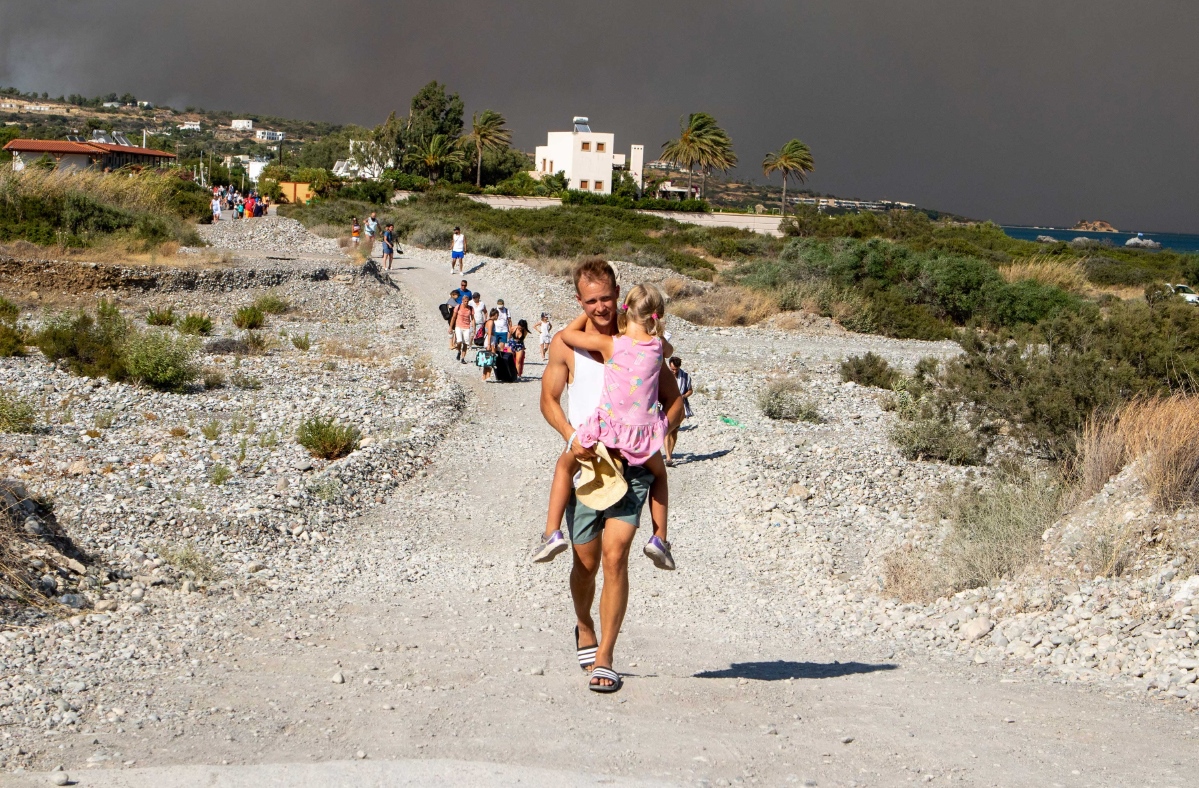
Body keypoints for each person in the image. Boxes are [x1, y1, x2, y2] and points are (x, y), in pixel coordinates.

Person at [535, 258, 684, 694]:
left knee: (616, 556)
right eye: (591, 300)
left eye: (607, 297)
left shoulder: (641, 342)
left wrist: (661, 431)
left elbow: (674, 399)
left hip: (632, 463)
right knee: (586, 563)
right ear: (579, 302)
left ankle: (606, 658)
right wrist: (569, 436)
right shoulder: (571, 346)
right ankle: (584, 625)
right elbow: (548, 398)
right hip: (587, 462)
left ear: (619, 294)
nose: (601, 307)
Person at [544, 283, 675, 571]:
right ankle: (659, 538)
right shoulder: (657, 348)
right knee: (660, 476)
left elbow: (568, 336)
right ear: (657, 315)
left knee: (566, 465)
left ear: (623, 307)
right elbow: (669, 348)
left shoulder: (612, 344)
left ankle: (551, 532)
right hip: (641, 436)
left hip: (607, 430)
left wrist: (585, 311)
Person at [664, 357, 693, 467]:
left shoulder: (685, 377)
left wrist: (684, 396)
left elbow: (690, 390)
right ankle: (668, 457)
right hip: (666, 406)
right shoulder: (665, 377)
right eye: (672, 369)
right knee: (666, 431)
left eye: (675, 369)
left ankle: (670, 452)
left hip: (680, 407)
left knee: (674, 431)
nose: (673, 371)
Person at [450, 293, 475, 363]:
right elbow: (454, 317)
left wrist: (474, 328)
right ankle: (458, 351)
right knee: (459, 341)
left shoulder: (470, 308)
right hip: (458, 326)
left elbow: (472, 319)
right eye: (465, 301)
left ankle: (463, 358)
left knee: (465, 343)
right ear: (462, 301)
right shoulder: (458, 307)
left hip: (467, 327)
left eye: (467, 301)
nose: (466, 303)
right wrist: (450, 327)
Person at [481, 308, 498, 382]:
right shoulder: (491, 322)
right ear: (494, 315)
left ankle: (484, 376)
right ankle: (487, 376)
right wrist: (489, 344)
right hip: (490, 341)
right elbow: (490, 333)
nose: (497, 317)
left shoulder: (487, 321)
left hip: (489, 340)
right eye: (497, 315)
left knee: (487, 358)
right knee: (491, 358)